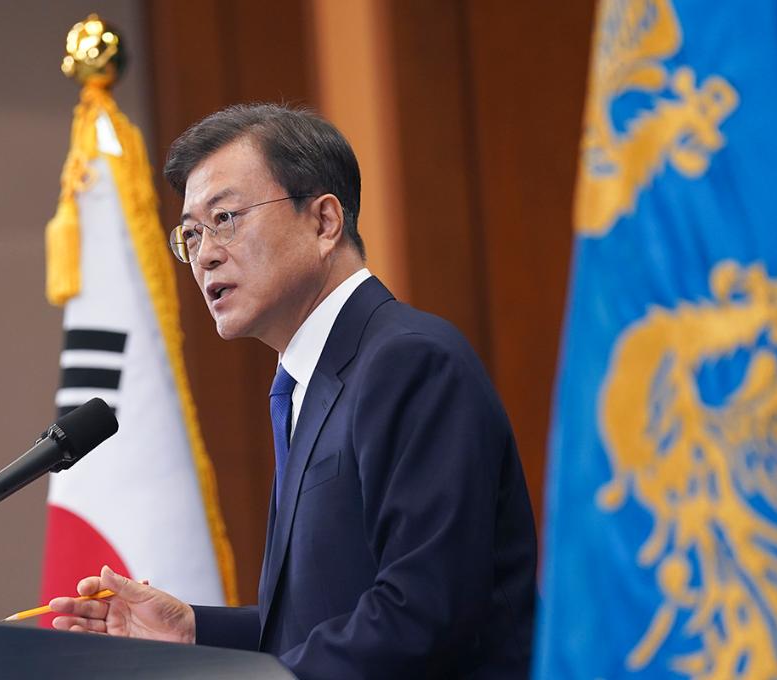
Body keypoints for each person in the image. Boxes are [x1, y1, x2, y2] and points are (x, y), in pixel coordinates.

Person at [50, 103, 537, 679]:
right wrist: (195, 631)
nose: (205, 254)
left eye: (225, 218)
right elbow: (326, 616)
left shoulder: (409, 362)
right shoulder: (306, 383)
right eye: (191, 234)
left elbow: (424, 612)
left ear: (324, 221)